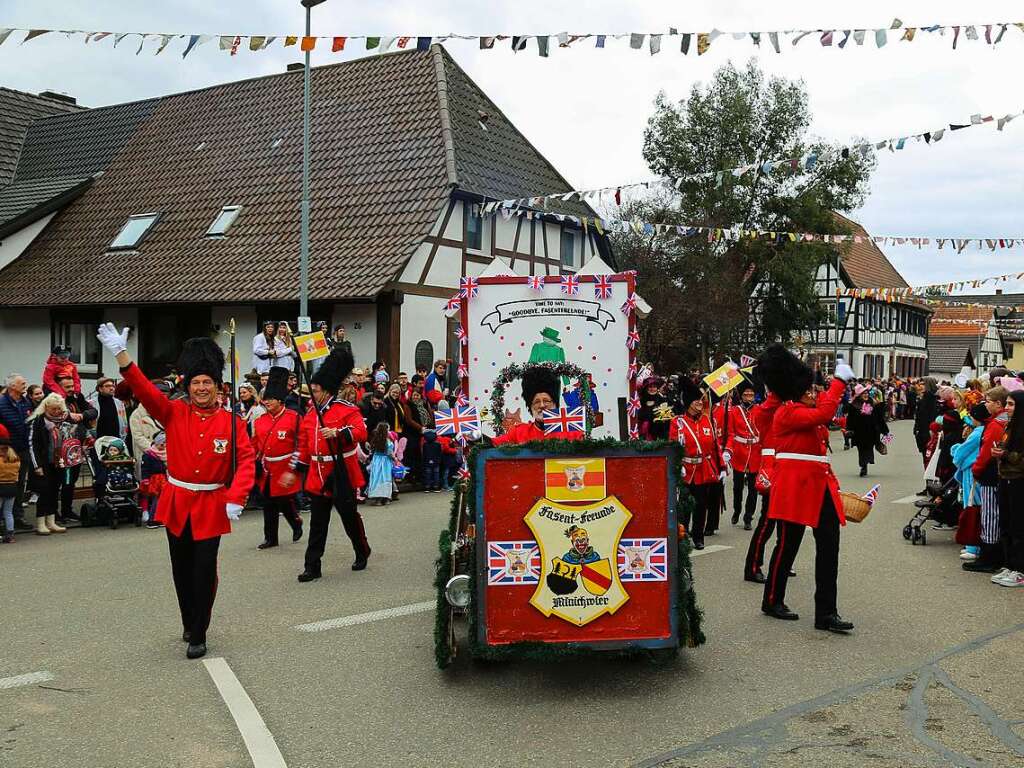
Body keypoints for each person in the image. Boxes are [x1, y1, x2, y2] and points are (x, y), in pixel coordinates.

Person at [97, 323, 255, 660]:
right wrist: (121, 355)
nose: (201, 388)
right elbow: (142, 389)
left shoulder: (233, 423)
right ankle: (188, 619)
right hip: (178, 500)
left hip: (212, 504)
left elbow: (246, 461)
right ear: (188, 385)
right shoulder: (174, 412)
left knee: (204, 571)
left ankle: (199, 631)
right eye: (196, 382)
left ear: (218, 388)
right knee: (181, 570)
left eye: (207, 383)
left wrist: (235, 497)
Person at [759, 344, 856, 632]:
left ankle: (826, 612)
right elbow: (824, 413)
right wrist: (839, 381)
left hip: (818, 486)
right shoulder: (787, 413)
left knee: (830, 546)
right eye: (809, 391)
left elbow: (823, 427)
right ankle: (772, 599)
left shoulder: (802, 409)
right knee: (787, 545)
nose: (813, 395)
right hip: (794, 488)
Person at [288, 347, 371, 581]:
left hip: (340, 470)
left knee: (348, 516)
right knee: (318, 523)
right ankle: (312, 566)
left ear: (326, 391)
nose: (311, 394)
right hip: (317, 473)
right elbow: (305, 445)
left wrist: (338, 432)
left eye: (315, 390)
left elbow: (361, 432)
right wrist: (297, 469)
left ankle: (361, 549)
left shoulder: (346, 410)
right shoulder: (310, 414)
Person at [251, 367, 303, 550]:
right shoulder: (260, 421)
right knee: (269, 503)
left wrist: (294, 468)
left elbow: (301, 443)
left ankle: (296, 522)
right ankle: (270, 538)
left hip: (285, 465)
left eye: (270, 399)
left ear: (280, 400)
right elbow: (255, 444)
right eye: (264, 399)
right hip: (267, 468)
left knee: (283, 500)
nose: (266, 402)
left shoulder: (294, 417)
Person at [669, 378, 723, 551]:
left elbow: (715, 446)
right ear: (688, 403)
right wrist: (678, 464)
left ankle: (698, 536)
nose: (700, 403)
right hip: (686, 470)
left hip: (703, 470)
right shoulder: (677, 422)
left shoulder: (708, 421)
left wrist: (721, 465)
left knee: (701, 505)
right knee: (685, 507)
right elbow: (673, 445)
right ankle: (682, 536)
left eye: (701, 400)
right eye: (696, 400)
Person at [965, 386, 1009, 574]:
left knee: (990, 515)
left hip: (991, 474)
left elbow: (986, 453)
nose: (986, 404)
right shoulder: (1001, 421)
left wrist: (977, 469)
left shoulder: (996, 424)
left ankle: (989, 556)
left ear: (998, 403)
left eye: (988, 401)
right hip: (998, 474)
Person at [492, 367, 584, 445]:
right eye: (536, 402)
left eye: (546, 401)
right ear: (530, 407)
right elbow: (493, 444)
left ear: (555, 404)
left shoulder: (573, 433)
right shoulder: (518, 432)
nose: (542, 405)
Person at [26, 393, 77, 536]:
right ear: (46, 407)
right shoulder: (37, 421)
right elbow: (32, 445)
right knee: (44, 492)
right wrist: (37, 466)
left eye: (59, 409)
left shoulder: (63, 420)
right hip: (43, 463)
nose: (56, 412)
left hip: (59, 462)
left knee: (55, 491)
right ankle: (41, 523)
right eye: (53, 409)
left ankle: (52, 521)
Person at [992, 391, 1024, 587]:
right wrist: (999, 452)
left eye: (1011, 404)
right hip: (1005, 477)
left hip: (1019, 480)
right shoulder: (1009, 426)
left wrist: (1005, 454)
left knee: (1018, 526)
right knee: (1006, 522)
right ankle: (1010, 564)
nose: (1007, 408)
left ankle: (1020, 569)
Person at [724, 381, 762, 528]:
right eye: (746, 394)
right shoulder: (734, 411)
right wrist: (729, 450)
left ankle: (748, 517)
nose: (749, 397)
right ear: (742, 396)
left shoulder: (759, 410)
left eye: (751, 394)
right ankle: (737, 510)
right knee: (738, 487)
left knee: (753, 488)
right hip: (740, 451)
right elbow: (731, 433)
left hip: (755, 452)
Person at [0, 374, 34, 531]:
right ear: (12, 386)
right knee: (5, 483)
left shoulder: (26, 402)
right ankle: (3, 519)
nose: (25, 384)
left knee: (20, 483)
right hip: (6, 451)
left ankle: (17, 516)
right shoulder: (1, 403)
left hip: (24, 448)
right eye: (22, 383)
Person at [843, 384, 889, 477]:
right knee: (861, 449)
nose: (866, 395)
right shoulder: (854, 405)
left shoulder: (872, 402)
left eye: (867, 393)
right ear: (859, 395)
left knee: (868, 448)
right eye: (864, 393)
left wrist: (885, 431)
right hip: (859, 432)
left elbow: (879, 417)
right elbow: (850, 419)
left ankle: (865, 465)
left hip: (871, 431)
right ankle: (863, 465)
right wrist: (848, 429)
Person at [139, 431, 167, 529]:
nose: (163, 445)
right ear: (156, 442)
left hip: (162, 479)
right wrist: (145, 479)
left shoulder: (163, 455)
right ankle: (152, 520)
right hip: (153, 480)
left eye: (165, 443)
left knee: (161, 500)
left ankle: (159, 518)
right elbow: (145, 468)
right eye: (161, 443)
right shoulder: (149, 455)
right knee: (156, 500)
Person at [366, 422, 396, 505]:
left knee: (377, 478)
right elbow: (389, 453)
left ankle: (378, 500)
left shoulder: (375, 440)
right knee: (386, 478)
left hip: (376, 461)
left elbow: (371, 450)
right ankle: (386, 499)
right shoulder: (388, 442)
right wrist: (395, 459)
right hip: (386, 462)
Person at [0, 424, 20, 542]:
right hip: (12, 486)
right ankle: (10, 534)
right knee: (8, 512)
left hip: (1, 486)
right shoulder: (15, 459)